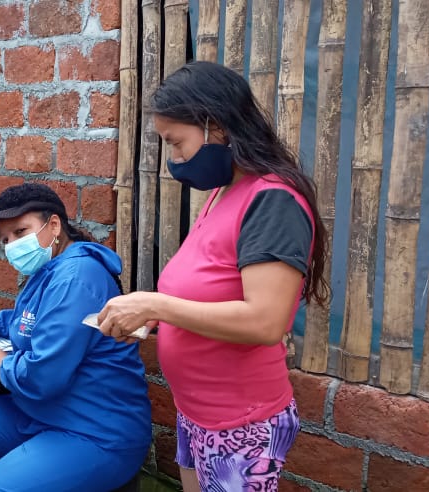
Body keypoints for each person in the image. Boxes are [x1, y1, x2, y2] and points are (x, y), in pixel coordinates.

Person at [97, 61, 329, 491]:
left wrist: (155, 303)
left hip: (241, 423)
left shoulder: (272, 201)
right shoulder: (224, 193)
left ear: (216, 125)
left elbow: (265, 321)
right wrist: (153, 319)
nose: (175, 159)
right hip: (198, 413)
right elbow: (211, 293)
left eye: (177, 143)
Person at [0, 183, 152, 492]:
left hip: (94, 430)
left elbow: (44, 376)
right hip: (44, 412)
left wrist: (3, 365)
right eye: (5, 240)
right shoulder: (50, 270)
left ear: (54, 225)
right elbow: (35, 320)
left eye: (20, 231)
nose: (12, 245)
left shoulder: (77, 277)